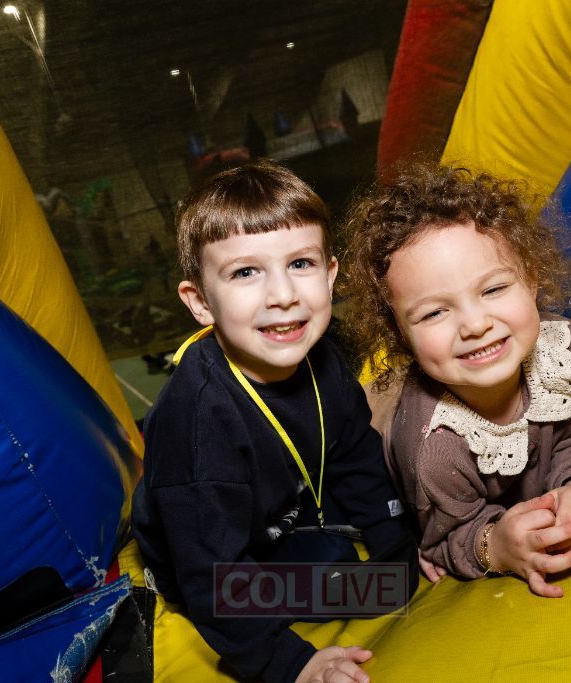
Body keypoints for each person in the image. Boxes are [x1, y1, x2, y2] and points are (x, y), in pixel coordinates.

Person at [132, 160, 418, 683]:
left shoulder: (322, 355)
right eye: (245, 272)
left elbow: (354, 452)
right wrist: (291, 664)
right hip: (202, 551)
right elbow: (211, 574)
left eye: (300, 263)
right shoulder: (198, 422)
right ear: (200, 302)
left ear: (330, 276)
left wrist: (397, 544)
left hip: (282, 504)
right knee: (363, 588)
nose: (283, 295)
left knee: (399, 576)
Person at [343, 164, 571, 599]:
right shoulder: (435, 447)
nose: (476, 324)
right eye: (434, 313)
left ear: (531, 279)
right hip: (377, 433)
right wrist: (493, 545)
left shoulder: (565, 356)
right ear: (399, 335)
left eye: (493, 289)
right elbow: (444, 537)